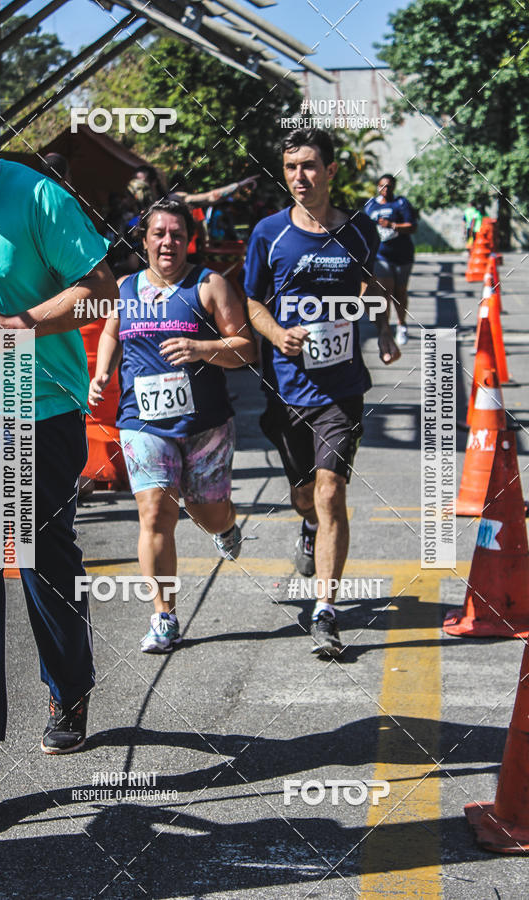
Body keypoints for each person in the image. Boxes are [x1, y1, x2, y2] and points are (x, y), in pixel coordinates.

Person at [0, 77, 117, 804]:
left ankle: (69, 687)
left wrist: (24, 325)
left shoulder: (36, 198)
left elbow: (103, 290)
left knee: (39, 560)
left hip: (40, 409)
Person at [244, 128, 400, 659]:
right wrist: (275, 333)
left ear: (331, 171)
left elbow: (371, 283)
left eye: (309, 166)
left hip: (341, 388)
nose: (299, 177)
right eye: (290, 168)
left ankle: (325, 610)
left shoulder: (358, 232)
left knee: (332, 491)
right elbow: (252, 302)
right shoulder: (269, 233)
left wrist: (383, 327)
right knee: (305, 494)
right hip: (287, 388)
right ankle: (307, 524)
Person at [89, 198, 256, 653]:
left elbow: (245, 349)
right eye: (159, 234)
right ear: (144, 240)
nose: (168, 242)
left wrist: (203, 349)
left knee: (208, 513)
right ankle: (164, 615)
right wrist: (103, 371)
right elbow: (109, 332)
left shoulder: (209, 286)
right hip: (142, 423)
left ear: (189, 240)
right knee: (156, 514)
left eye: (177, 235)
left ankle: (224, 528)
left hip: (205, 426)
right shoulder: (123, 288)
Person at [363, 174, 417, 346]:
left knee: (399, 292)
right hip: (380, 255)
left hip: (402, 255)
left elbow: (412, 226)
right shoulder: (371, 205)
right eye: (381, 186)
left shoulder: (401, 203)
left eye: (388, 186)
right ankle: (385, 328)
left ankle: (402, 325)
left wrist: (392, 225)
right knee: (384, 291)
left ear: (393, 187)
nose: (385, 190)